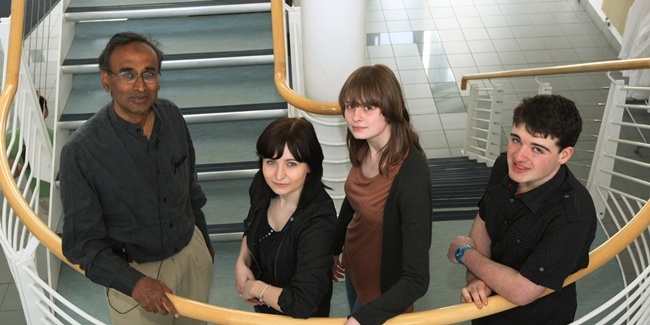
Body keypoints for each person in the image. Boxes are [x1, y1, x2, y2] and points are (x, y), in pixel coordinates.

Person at [60, 32, 214, 325]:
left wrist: (203, 242)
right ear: (107, 81)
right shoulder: (81, 152)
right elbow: (82, 243)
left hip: (192, 255)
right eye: (127, 74)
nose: (141, 86)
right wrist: (135, 284)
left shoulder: (172, 115)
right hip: (136, 277)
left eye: (149, 74)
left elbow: (191, 188)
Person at [447, 94, 598, 325]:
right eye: (516, 139)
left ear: (564, 155)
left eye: (537, 149)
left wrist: (465, 253)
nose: (519, 156)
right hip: (486, 309)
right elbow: (485, 220)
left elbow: (522, 290)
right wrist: (475, 279)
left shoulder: (572, 217)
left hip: (534, 319)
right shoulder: (503, 166)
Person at [332, 64, 432, 325]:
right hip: (354, 267)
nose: (355, 116)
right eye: (350, 105)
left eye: (368, 107)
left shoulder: (412, 175)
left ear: (389, 109)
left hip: (384, 290)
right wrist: (334, 248)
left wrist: (362, 319)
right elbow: (353, 200)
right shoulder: (363, 145)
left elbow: (417, 279)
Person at [235, 117, 337, 318]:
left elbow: (303, 304)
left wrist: (257, 289)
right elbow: (250, 226)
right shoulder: (261, 185)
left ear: (310, 167)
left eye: (291, 164)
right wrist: (241, 261)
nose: (278, 175)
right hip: (265, 314)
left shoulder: (319, 220)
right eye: (271, 162)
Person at [6, 92, 53, 219]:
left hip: (39, 197)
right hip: (61, 193)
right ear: (46, 111)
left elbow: (9, 169)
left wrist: (11, 169)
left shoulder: (12, 137)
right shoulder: (56, 135)